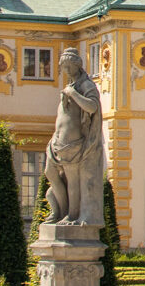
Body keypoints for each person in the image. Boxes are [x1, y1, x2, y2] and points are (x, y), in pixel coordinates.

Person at [43, 49, 104, 226]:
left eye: (70, 67)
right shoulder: (71, 85)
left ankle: (72, 215)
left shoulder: (85, 86)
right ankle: (61, 212)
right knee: (50, 173)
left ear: (78, 66)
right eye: (64, 67)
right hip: (57, 142)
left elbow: (92, 107)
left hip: (73, 143)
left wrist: (73, 94)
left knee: (73, 181)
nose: (67, 71)